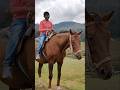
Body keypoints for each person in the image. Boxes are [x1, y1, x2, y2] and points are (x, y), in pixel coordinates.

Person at [2, 0, 34, 79]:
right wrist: (28, 8)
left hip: (33, 20)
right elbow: (13, 9)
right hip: (20, 20)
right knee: (16, 36)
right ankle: (7, 65)